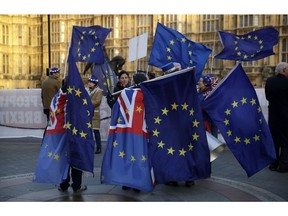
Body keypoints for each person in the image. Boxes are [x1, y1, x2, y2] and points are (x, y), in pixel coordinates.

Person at [160, 62, 195, 187]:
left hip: (178, 123)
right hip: (176, 123)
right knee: (179, 150)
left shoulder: (174, 85)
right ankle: (181, 177)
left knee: (179, 150)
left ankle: (183, 177)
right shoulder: (180, 84)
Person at [58, 78, 87, 193]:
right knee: (76, 159)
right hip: (75, 134)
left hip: (61, 135)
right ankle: (76, 185)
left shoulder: (58, 98)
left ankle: (63, 184)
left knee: (64, 160)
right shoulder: (77, 98)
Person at [265, 62, 288, 173]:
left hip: (273, 115)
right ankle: (283, 165)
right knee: (285, 140)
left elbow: (267, 97)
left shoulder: (269, 81)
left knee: (274, 140)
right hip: (285, 116)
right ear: (284, 70)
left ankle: (273, 164)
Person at [86, 75, 103, 154]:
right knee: (87, 132)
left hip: (95, 113)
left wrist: (87, 103)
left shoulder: (99, 91)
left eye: (91, 82)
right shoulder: (87, 90)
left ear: (95, 84)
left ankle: (99, 147)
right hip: (87, 113)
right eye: (89, 82)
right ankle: (88, 146)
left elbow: (97, 101)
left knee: (96, 131)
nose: (89, 84)